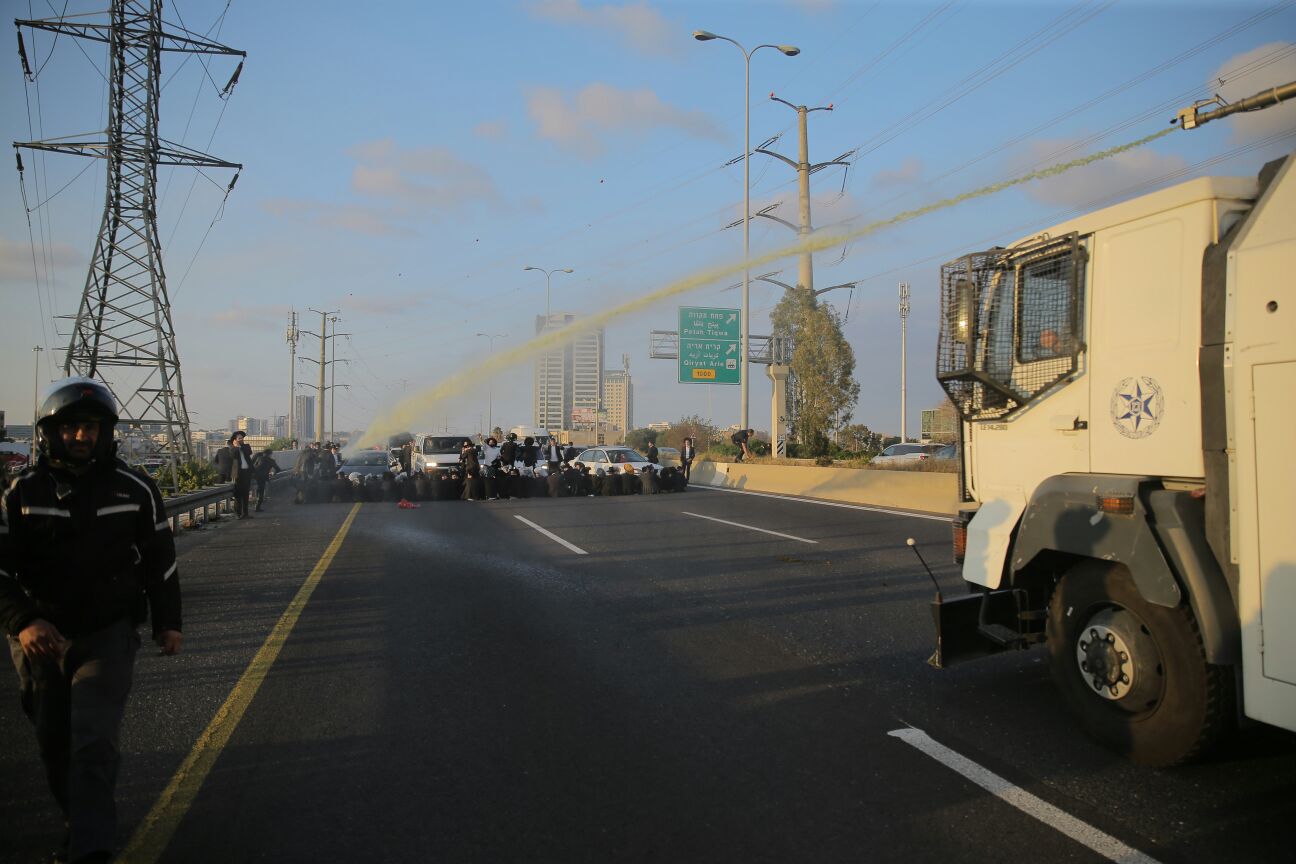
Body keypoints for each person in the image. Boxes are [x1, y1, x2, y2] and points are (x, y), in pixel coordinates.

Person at [1, 377, 182, 864]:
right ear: (50, 432)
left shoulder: (134, 488)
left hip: (107, 634)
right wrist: (24, 621)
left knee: (94, 742)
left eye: (93, 427)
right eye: (72, 427)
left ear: (106, 433)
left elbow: (161, 561)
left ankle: (90, 848)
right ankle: (77, 820)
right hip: (41, 640)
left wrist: (168, 622)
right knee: (54, 742)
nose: (83, 436)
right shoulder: (22, 491)